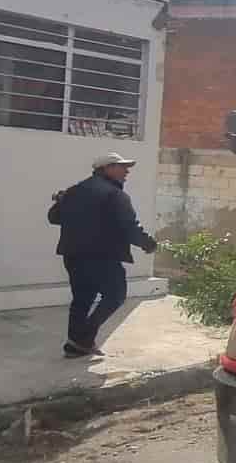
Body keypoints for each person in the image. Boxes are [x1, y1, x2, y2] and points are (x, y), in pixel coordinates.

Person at [48, 153, 158, 357]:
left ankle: (76, 346)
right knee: (115, 295)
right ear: (106, 168)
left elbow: (54, 217)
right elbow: (129, 227)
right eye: (122, 167)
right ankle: (83, 338)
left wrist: (62, 201)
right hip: (102, 257)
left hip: (73, 255)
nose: (127, 171)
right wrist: (148, 243)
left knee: (82, 299)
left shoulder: (74, 191)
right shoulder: (115, 195)